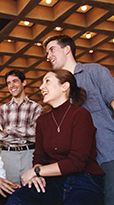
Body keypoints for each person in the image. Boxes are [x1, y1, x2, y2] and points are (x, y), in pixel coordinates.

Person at [6, 69, 105, 205]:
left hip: (84, 181)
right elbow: (39, 156)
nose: (41, 87)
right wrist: (37, 172)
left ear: (64, 86)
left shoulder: (81, 114)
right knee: (17, 199)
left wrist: (36, 171)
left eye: (47, 81)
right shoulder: (42, 120)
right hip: (54, 182)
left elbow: (77, 162)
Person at [43, 34, 114, 205]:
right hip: (79, 165)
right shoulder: (58, 89)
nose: (48, 56)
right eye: (46, 53)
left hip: (107, 154)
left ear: (67, 49)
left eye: (52, 49)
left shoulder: (95, 72)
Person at [0, 69, 43, 185]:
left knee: (31, 191)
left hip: (29, 154)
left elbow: (35, 133)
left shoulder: (36, 108)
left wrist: (9, 130)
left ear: (24, 82)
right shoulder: (1, 110)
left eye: (15, 81)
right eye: (8, 83)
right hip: (7, 156)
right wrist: (24, 136)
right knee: (9, 192)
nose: (11, 86)